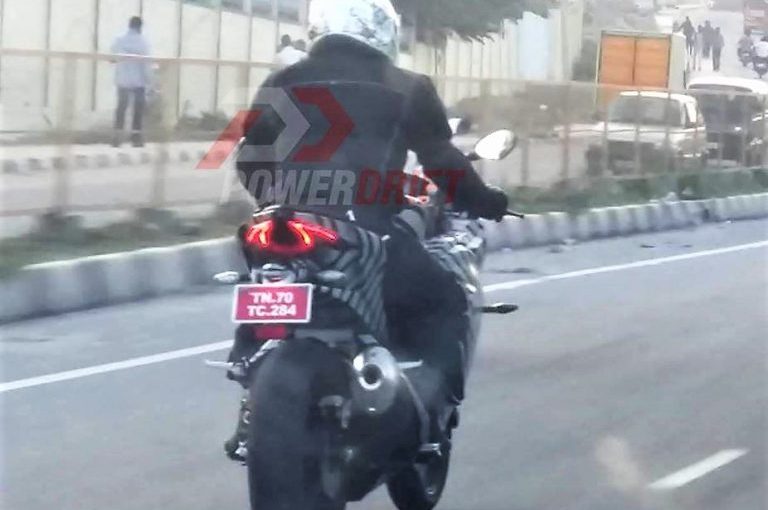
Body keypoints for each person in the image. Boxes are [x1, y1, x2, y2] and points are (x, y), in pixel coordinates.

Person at [226, 0, 509, 461]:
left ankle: (249, 393)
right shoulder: (406, 86)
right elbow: (443, 163)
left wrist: (279, 201)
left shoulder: (283, 81)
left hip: (286, 224)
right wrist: (486, 201)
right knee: (445, 302)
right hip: (367, 229)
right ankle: (431, 421)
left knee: (263, 277)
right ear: (383, 32)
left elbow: (250, 160)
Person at [110, 16, 151, 148]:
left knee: (121, 107)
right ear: (140, 27)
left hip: (123, 79)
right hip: (138, 80)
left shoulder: (119, 39)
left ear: (129, 25)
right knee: (138, 109)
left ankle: (117, 136)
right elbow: (146, 63)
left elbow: (112, 58)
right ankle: (136, 137)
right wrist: (149, 80)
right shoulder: (143, 42)